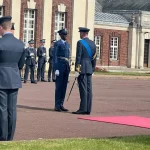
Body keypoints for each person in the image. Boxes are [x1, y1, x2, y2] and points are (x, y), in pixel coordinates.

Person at [0, 16, 25, 141]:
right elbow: (21, 64)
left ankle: (2, 137)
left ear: (1, 27)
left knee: (2, 109)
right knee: (12, 109)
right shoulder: (20, 44)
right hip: (14, 78)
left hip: (1, 78)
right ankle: (10, 137)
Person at [72, 27, 97, 115]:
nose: (80, 34)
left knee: (83, 89)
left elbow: (78, 57)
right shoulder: (93, 43)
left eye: (80, 32)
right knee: (89, 89)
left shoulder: (80, 42)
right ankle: (88, 109)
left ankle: (83, 109)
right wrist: (93, 69)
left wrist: (77, 70)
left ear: (82, 33)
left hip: (82, 68)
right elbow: (94, 58)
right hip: (89, 68)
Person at [53, 28, 70, 112]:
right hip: (59, 65)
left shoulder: (67, 44)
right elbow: (55, 56)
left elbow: (68, 57)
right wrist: (56, 68)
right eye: (64, 34)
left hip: (66, 66)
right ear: (61, 35)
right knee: (59, 86)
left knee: (64, 86)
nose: (66, 36)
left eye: (66, 34)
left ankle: (61, 104)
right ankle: (57, 105)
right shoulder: (57, 44)